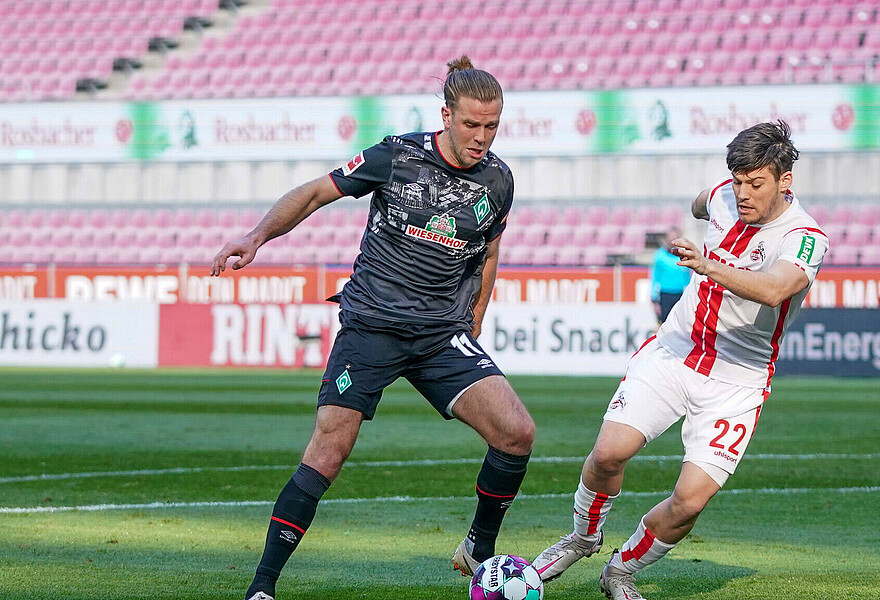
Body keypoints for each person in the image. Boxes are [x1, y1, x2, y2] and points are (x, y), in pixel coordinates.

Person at [211, 57, 535, 600]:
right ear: (446, 115)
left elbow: (491, 250)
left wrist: (473, 325)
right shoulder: (397, 155)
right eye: (472, 124)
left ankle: (479, 549)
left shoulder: (498, 180)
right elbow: (316, 193)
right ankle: (263, 586)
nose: (482, 138)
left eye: (492, 126)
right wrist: (257, 235)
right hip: (372, 325)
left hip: (439, 335)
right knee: (328, 450)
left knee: (517, 432)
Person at [531, 121, 829, 600]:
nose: (744, 192)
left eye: (757, 183)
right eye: (738, 180)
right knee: (609, 453)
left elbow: (776, 290)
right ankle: (583, 538)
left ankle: (620, 570)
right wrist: (708, 204)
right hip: (676, 350)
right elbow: (701, 201)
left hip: (737, 381)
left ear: (785, 180)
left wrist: (708, 264)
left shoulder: (804, 236)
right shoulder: (722, 196)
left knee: (690, 501)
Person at [649, 228, 691, 324]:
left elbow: (687, 278)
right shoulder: (660, 256)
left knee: (680, 324)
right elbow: (655, 277)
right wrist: (654, 297)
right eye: (670, 239)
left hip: (681, 295)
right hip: (665, 295)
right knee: (665, 324)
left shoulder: (684, 255)